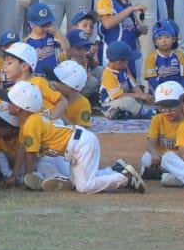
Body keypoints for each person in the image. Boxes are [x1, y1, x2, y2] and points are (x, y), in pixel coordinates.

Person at [9, 80, 144, 194]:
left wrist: (27, 178)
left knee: (84, 187)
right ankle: (115, 169)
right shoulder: (32, 117)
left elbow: (30, 155)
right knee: (79, 179)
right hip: (78, 142)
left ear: (18, 108)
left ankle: (124, 178)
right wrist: (16, 175)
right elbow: (23, 148)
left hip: (80, 144)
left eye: (10, 101)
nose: (6, 103)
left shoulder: (31, 122)